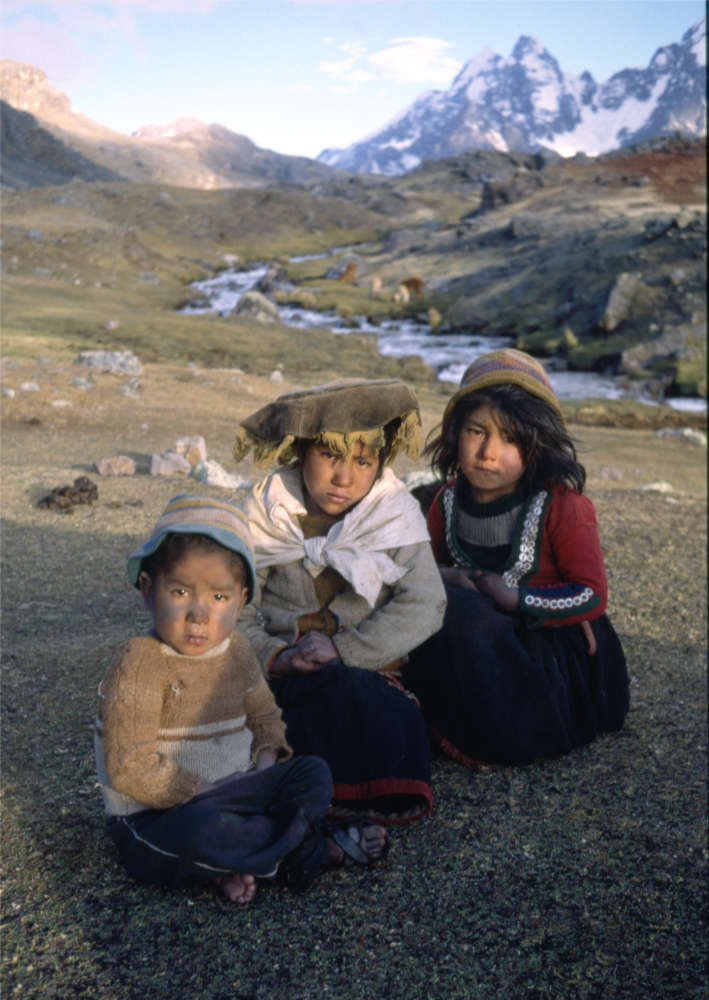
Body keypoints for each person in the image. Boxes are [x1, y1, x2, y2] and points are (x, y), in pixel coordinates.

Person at [94, 494, 386, 905]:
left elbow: (265, 718)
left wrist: (264, 766)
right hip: (158, 814)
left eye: (218, 597)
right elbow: (129, 769)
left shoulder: (238, 653)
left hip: (235, 793)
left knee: (312, 774)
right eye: (180, 591)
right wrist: (204, 788)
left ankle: (238, 862)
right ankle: (310, 851)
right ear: (148, 589)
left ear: (242, 597)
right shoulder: (140, 662)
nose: (199, 614)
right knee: (204, 832)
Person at [232, 378, 447, 824]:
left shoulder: (393, 513)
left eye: (363, 461)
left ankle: (339, 806)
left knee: (376, 706)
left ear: (380, 463)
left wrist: (346, 651)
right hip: (281, 672)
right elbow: (232, 607)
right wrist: (275, 656)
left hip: (367, 671)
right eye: (329, 455)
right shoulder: (266, 509)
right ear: (301, 451)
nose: (344, 478)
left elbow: (426, 602)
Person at [403, 349, 629, 765]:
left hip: (545, 649)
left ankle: (505, 737)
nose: (489, 451)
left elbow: (592, 595)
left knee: (464, 617)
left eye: (510, 439)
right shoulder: (447, 501)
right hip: (476, 642)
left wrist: (517, 600)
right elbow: (423, 568)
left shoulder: (563, 506)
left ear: (537, 445)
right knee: (438, 607)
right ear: (455, 433)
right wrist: (449, 577)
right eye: (476, 431)